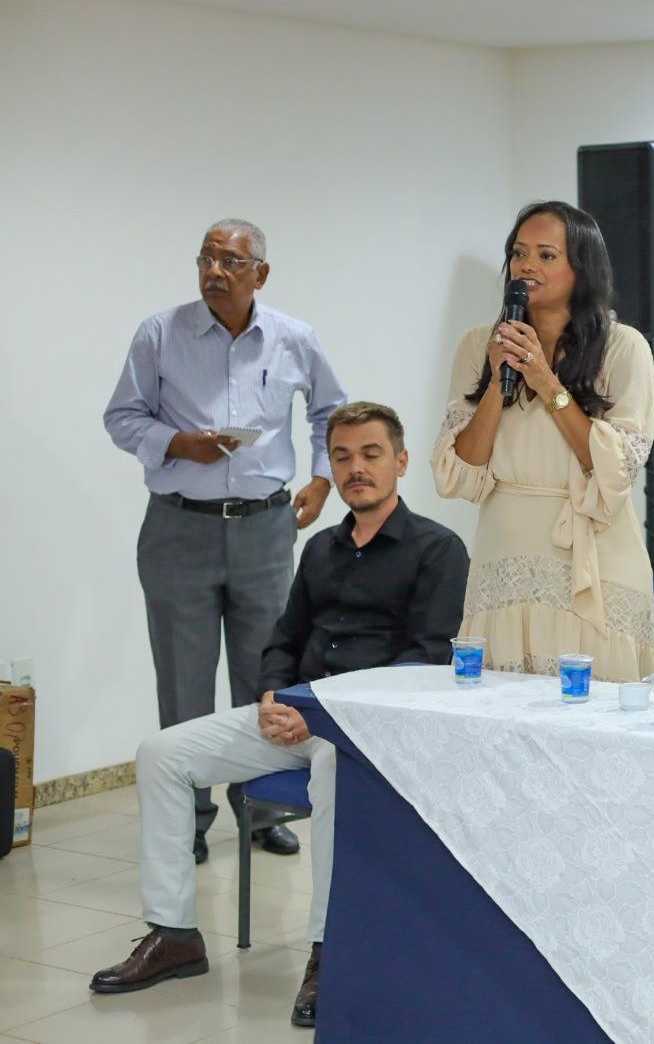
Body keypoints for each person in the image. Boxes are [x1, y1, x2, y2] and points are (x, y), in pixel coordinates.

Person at [90, 402, 470, 1030]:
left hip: (364, 729)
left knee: (333, 770)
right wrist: (271, 694)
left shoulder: (438, 549)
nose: (355, 468)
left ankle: (329, 953)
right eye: (342, 456)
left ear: (401, 461)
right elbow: (284, 638)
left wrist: (322, 716)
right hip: (296, 713)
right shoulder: (320, 548)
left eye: (371, 454)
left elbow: (424, 660)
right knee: (162, 753)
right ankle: (175, 935)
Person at [104, 219, 347, 863]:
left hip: (266, 527)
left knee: (265, 675)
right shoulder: (159, 334)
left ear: (260, 274)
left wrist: (322, 479)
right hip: (179, 526)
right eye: (206, 259)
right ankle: (187, 819)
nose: (215, 271)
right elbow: (122, 417)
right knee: (183, 684)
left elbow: (330, 412)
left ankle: (261, 808)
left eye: (230, 261)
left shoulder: (295, 338)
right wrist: (177, 444)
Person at [433, 201, 654, 681]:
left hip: (594, 561)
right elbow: (462, 473)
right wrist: (498, 383)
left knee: (591, 708)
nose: (527, 266)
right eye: (518, 253)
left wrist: (545, 380)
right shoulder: (478, 345)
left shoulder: (624, 347)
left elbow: (615, 469)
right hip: (504, 555)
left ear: (582, 267)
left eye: (546, 255)